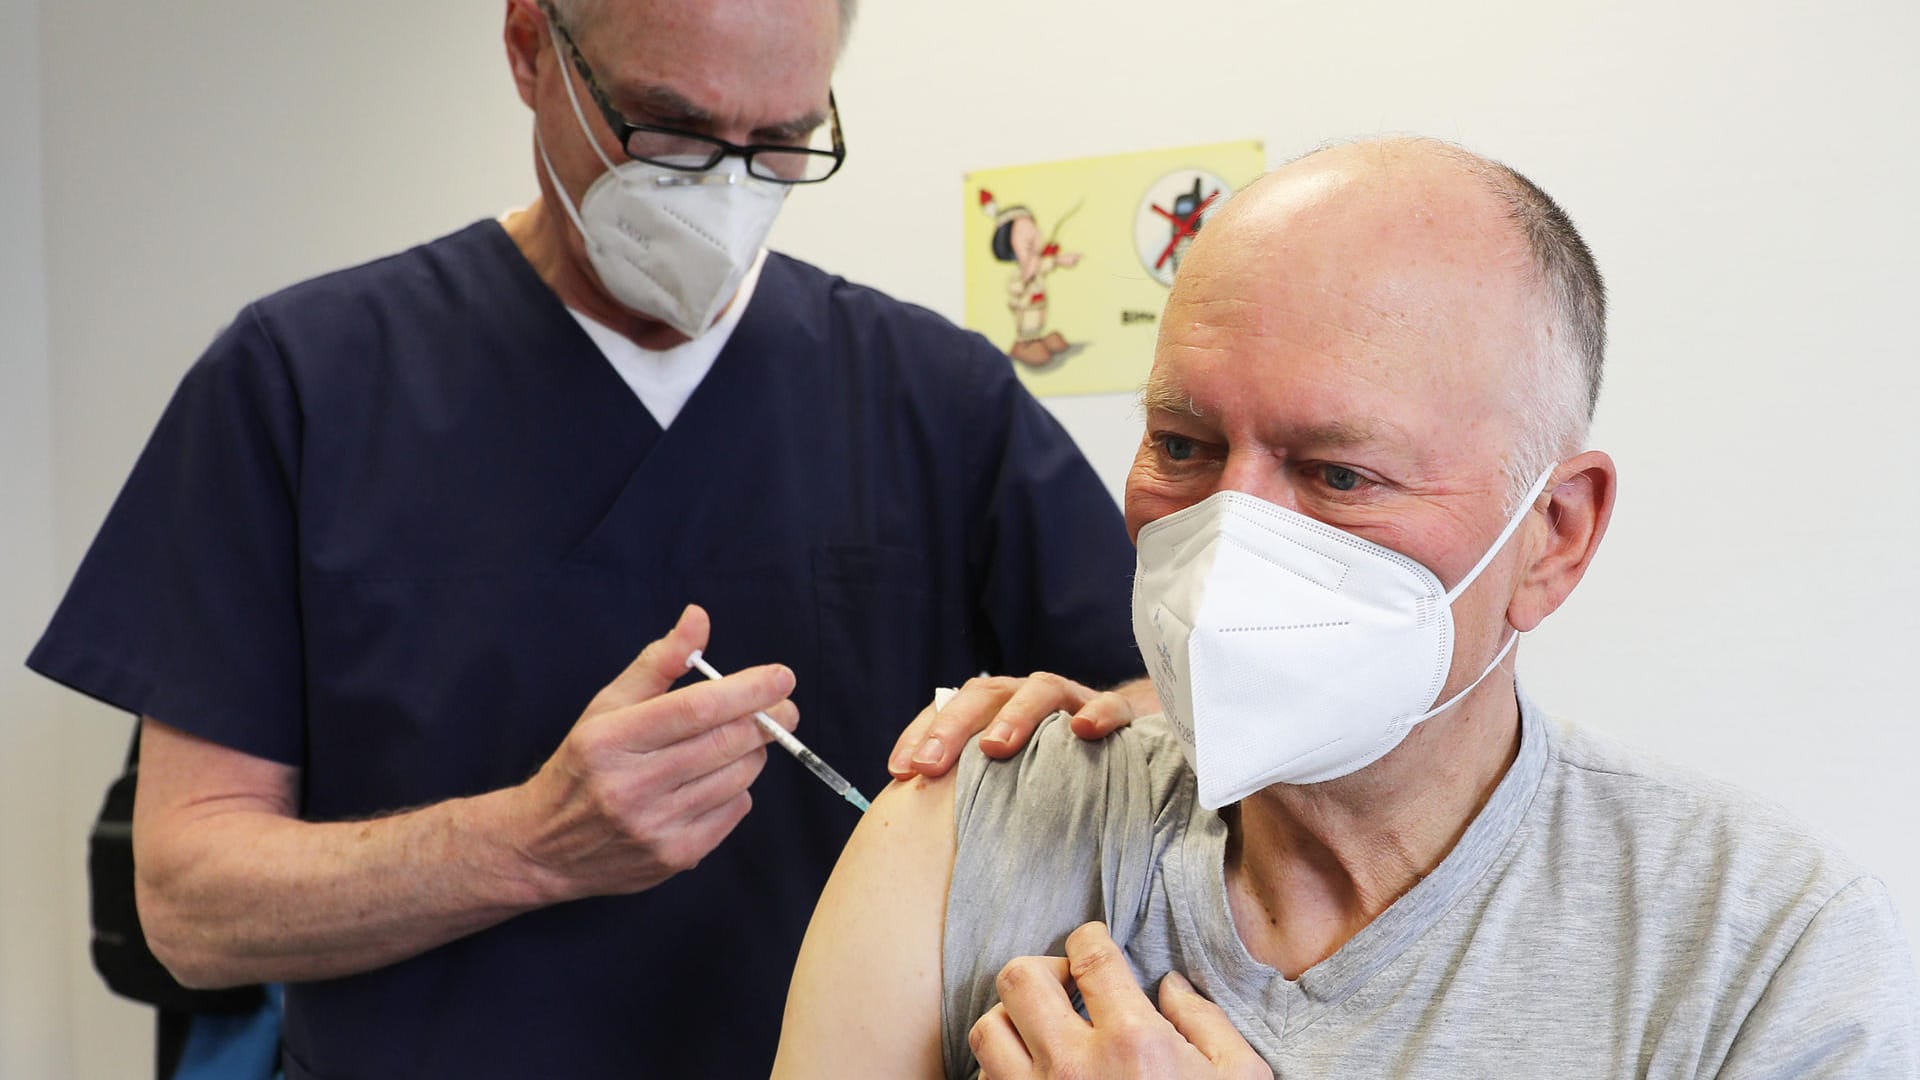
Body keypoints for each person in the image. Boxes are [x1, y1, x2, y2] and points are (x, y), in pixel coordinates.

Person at [26, 0, 1157, 1076]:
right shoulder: (301, 385)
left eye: (780, 141)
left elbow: (1162, 731)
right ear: (531, 49)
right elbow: (186, 908)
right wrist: (529, 843)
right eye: (669, 127)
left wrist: (1068, 743)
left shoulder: (932, 399)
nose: (723, 186)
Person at [772, 137, 1920, 1078]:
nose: (1228, 537)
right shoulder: (983, 829)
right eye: (1183, 444)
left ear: (1554, 535)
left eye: (1338, 475)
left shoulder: (1764, 951)